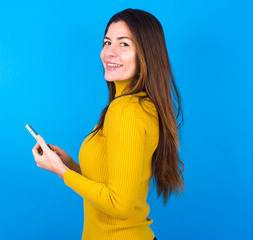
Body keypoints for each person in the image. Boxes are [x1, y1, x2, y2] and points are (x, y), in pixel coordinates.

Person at [32, 8, 184, 240]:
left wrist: (60, 171)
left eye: (124, 44)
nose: (109, 53)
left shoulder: (127, 111)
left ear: (146, 54)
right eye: (107, 42)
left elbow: (119, 205)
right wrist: (70, 165)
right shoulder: (140, 105)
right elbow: (112, 185)